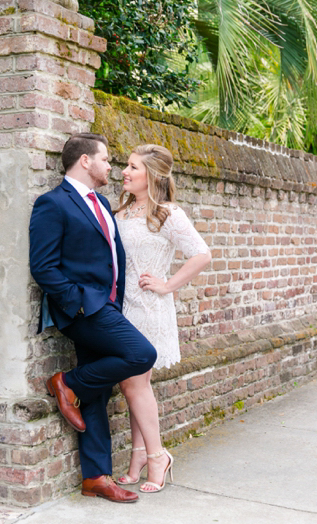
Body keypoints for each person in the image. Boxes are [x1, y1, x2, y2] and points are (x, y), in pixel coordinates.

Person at [29, 133, 157, 504]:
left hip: (108, 306)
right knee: (141, 355)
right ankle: (66, 382)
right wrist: (80, 304)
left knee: (97, 393)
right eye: (105, 159)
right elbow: (43, 266)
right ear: (85, 161)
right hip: (85, 310)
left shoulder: (100, 201)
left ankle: (95, 477)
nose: (110, 166)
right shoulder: (53, 204)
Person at [113, 144, 211, 493]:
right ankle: (139, 454)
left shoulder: (168, 214)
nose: (124, 171)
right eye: (126, 165)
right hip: (121, 309)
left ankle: (157, 456)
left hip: (150, 309)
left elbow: (201, 254)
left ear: (152, 176)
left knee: (135, 384)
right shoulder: (122, 211)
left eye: (132, 167)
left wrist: (167, 284)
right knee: (132, 385)